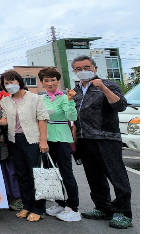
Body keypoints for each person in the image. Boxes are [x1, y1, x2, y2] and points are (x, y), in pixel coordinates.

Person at [71, 55, 131, 229]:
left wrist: (104, 88)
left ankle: (123, 212)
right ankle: (102, 207)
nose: (83, 71)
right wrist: (74, 136)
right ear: (74, 72)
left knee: (116, 176)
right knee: (94, 177)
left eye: (87, 67)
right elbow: (75, 116)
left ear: (95, 69)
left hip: (106, 137)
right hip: (84, 138)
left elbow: (120, 105)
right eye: (78, 69)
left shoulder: (108, 85)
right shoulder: (75, 91)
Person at [0, 70, 49, 222]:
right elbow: (6, 120)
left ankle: (38, 208)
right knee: (22, 174)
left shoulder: (34, 98)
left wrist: (43, 141)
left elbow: (42, 120)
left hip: (32, 139)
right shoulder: (6, 101)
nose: (9, 85)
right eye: (6, 83)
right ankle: (26, 205)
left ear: (19, 81)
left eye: (12, 81)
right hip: (14, 140)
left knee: (35, 175)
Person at [37, 67, 81, 222]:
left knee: (66, 172)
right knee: (52, 174)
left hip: (61, 137)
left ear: (58, 81)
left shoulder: (64, 97)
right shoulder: (41, 99)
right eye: (46, 80)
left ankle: (73, 207)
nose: (50, 83)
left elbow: (71, 116)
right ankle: (60, 203)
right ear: (42, 83)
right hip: (46, 138)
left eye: (53, 80)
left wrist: (70, 101)